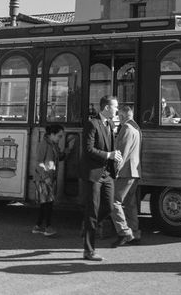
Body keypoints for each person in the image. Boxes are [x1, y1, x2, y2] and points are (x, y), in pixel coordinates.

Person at [81, 95, 123, 261]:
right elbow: (88, 149)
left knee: (109, 207)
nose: (117, 110)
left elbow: (111, 147)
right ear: (106, 108)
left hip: (107, 174)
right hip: (93, 173)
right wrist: (109, 155)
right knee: (92, 210)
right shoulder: (92, 124)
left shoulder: (110, 124)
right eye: (115, 107)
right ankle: (89, 251)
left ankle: (87, 226)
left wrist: (115, 156)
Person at [32, 123, 71, 236]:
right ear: (52, 134)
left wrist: (67, 152)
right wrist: (45, 177)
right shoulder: (44, 144)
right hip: (44, 178)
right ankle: (47, 227)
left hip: (49, 178)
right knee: (48, 203)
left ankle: (38, 226)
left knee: (46, 203)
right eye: (59, 136)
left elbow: (59, 157)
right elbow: (38, 162)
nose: (60, 138)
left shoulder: (53, 144)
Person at [112, 104, 142, 246]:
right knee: (130, 204)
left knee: (114, 201)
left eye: (119, 115)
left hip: (125, 172)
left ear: (123, 116)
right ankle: (135, 232)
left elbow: (121, 154)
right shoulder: (136, 129)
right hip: (135, 172)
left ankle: (124, 232)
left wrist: (114, 171)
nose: (118, 118)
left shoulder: (126, 129)